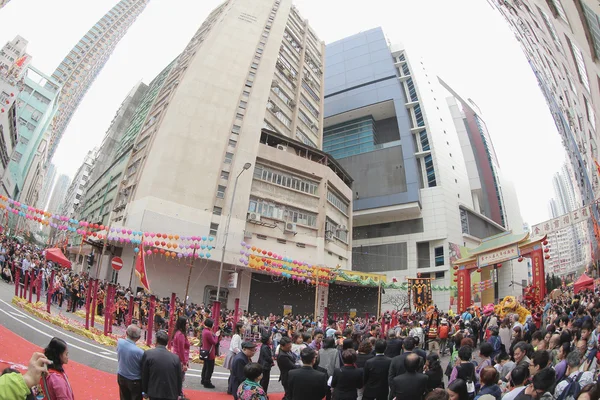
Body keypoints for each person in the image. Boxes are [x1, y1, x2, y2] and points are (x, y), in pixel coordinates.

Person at [141, 330, 182, 400]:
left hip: (154, 392)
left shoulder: (148, 354)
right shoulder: (175, 358)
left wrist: (144, 391)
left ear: (156, 341)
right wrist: (179, 393)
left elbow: (144, 375)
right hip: (170, 393)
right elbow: (179, 378)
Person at [117, 324, 144, 400]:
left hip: (121, 376)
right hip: (134, 381)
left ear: (126, 333)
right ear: (138, 338)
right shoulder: (140, 352)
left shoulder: (120, 342)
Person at [171, 317, 190, 398]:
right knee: (180, 377)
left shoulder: (177, 333)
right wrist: (184, 363)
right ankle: (178, 394)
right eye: (186, 323)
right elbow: (181, 350)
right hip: (180, 359)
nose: (188, 325)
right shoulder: (181, 335)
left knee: (177, 377)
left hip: (176, 357)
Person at [225, 322, 244, 394]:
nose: (244, 329)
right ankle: (231, 389)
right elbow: (235, 347)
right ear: (239, 328)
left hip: (233, 354)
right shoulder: (237, 336)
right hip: (233, 355)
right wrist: (241, 354)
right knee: (233, 373)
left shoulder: (237, 335)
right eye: (243, 327)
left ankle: (230, 388)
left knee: (233, 373)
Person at [201, 318, 220, 389]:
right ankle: (207, 382)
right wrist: (217, 336)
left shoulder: (204, 331)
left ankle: (203, 379)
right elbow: (214, 342)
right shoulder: (208, 332)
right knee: (210, 368)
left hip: (205, 351)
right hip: (210, 352)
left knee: (205, 367)